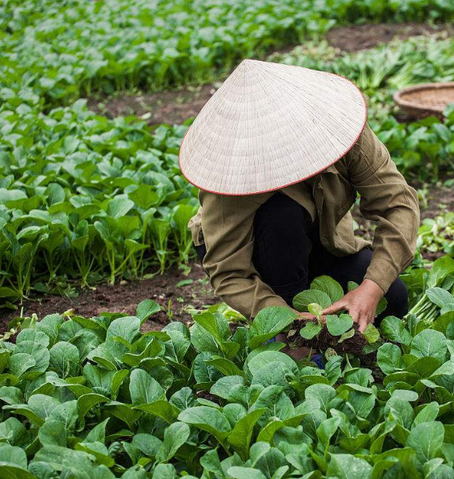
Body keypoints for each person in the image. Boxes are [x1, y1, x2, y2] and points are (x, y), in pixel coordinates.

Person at [179, 59, 420, 334]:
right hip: (259, 245)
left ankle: (309, 301)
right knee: (282, 213)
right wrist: (288, 318)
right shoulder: (233, 170)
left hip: (320, 234)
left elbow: (398, 204)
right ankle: (288, 317)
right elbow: (230, 271)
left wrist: (371, 288)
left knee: (394, 298)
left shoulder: (340, 128)